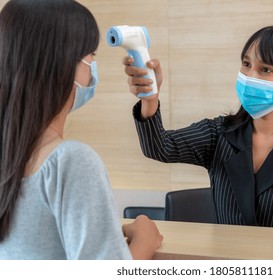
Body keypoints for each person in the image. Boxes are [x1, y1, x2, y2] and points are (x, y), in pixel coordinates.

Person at [123, 25, 273, 231]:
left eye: (266, 69)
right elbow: (158, 147)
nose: (250, 77)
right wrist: (150, 99)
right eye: (247, 64)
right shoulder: (219, 133)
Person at [0, 0, 162, 260]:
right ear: (62, 64)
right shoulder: (71, 162)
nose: (92, 70)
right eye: (91, 58)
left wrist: (150, 102)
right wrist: (145, 239)